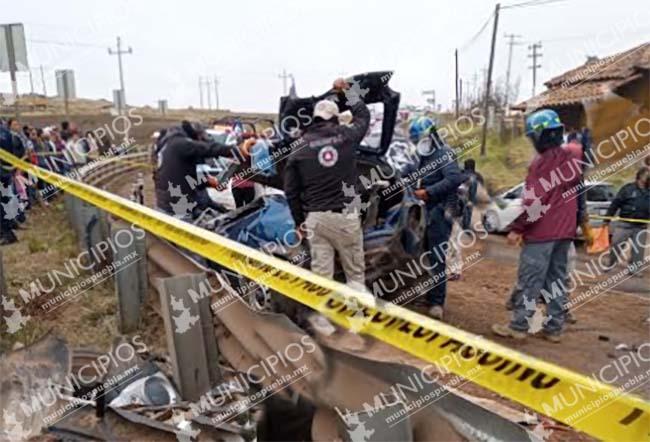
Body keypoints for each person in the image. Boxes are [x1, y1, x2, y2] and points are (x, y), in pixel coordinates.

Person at [492, 109, 581, 342]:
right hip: (565, 232)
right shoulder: (574, 156)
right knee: (557, 280)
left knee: (530, 281)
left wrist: (518, 228)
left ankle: (519, 326)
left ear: (541, 136)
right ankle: (554, 329)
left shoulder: (541, 164)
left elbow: (534, 202)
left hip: (542, 233)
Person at [284, 78, 370, 290]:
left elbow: (291, 192)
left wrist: (298, 222)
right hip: (345, 218)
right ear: (334, 117)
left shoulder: (299, 147)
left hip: (316, 220)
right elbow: (363, 115)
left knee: (322, 280)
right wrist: (347, 92)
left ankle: (324, 322)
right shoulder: (347, 135)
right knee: (355, 277)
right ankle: (356, 320)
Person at [408, 116, 463, 319]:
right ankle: (428, 294)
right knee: (424, 255)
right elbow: (411, 173)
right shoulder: (423, 156)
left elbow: (454, 178)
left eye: (418, 140)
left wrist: (428, 192)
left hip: (440, 212)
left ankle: (437, 303)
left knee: (437, 257)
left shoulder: (444, 154)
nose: (416, 144)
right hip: (425, 212)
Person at [155, 121, 252, 218]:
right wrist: (237, 150)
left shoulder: (169, 145)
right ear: (194, 136)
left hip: (170, 203)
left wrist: (208, 182)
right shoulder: (180, 144)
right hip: (176, 207)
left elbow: (181, 178)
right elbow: (208, 149)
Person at [604, 167, 649, 276]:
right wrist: (607, 219)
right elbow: (615, 204)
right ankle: (610, 263)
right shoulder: (628, 189)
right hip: (625, 224)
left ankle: (635, 269)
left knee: (638, 250)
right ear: (640, 176)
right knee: (616, 244)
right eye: (647, 174)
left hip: (641, 225)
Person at [0, 119, 26, 245]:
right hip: (6, 172)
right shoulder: (7, 133)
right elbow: (13, 153)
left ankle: (7, 233)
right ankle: (8, 228)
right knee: (5, 201)